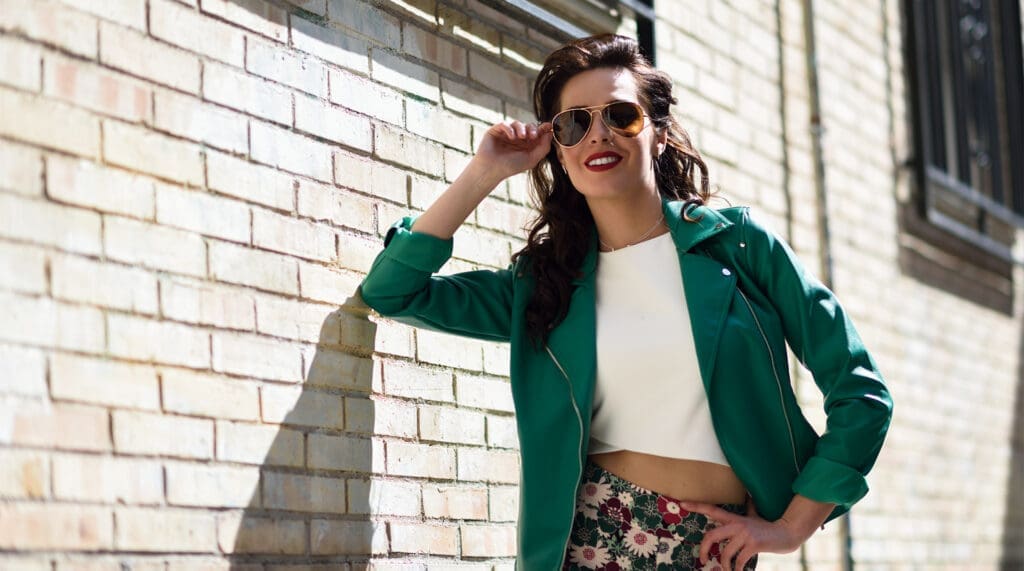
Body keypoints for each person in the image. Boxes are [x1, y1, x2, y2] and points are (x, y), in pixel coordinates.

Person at [359, 34, 892, 571]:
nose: (598, 135)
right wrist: (485, 173)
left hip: (712, 549)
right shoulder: (546, 283)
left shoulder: (737, 245)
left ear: (658, 132)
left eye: (620, 115)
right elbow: (393, 291)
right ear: (559, 149)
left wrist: (792, 526)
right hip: (587, 543)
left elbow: (861, 390)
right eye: (574, 123)